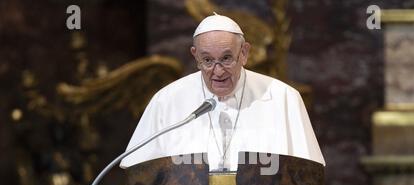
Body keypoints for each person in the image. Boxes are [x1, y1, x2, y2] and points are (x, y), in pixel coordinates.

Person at [120, 13, 325, 171]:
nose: (217, 72)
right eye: (207, 60)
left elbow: (307, 176)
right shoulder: (166, 101)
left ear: (244, 53)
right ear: (195, 56)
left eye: (226, 58)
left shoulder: (284, 99)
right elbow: (141, 176)